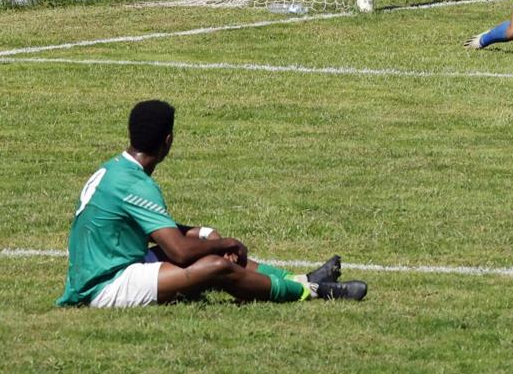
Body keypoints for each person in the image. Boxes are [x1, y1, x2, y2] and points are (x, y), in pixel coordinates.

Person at [57, 100, 367, 308]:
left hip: (112, 264)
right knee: (216, 266)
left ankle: (299, 278)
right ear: (168, 141)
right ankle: (309, 290)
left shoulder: (116, 170)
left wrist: (205, 234)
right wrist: (227, 243)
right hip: (104, 285)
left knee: (206, 244)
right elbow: (178, 251)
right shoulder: (136, 183)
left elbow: (155, 231)